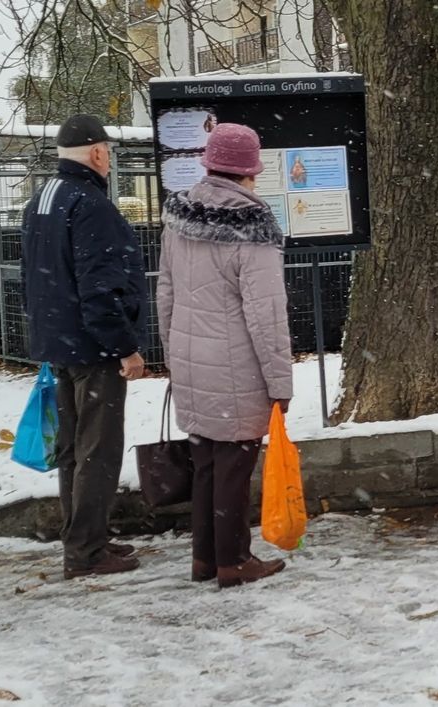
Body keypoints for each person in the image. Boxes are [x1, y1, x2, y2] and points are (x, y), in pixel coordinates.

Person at [157, 123, 292, 589]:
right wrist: (280, 383)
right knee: (234, 467)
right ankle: (234, 561)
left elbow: (166, 290)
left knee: (207, 466)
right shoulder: (253, 226)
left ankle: (204, 559)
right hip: (239, 368)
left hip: (192, 361)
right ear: (249, 172)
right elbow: (267, 315)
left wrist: (175, 353)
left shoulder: (179, 215)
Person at [20, 114, 147, 580]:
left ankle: (83, 538)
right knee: (98, 450)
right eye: (108, 152)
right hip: (93, 349)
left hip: (59, 343)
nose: (109, 160)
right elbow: (101, 289)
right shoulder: (90, 205)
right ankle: (87, 551)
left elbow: (40, 275)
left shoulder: (43, 199)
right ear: (97, 153)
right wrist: (124, 347)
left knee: (73, 448)